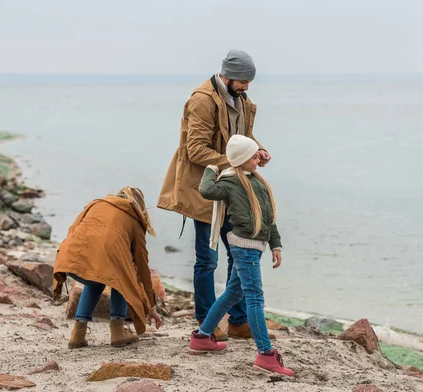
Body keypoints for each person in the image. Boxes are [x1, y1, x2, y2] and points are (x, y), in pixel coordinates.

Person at [157, 49, 274, 341]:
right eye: (244, 80)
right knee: (207, 260)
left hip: (234, 189)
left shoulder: (242, 100)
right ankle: (206, 322)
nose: (248, 86)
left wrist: (257, 149)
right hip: (206, 190)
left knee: (239, 253)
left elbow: (241, 140)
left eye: (250, 81)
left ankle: (238, 321)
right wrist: (236, 162)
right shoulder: (202, 100)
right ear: (229, 74)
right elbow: (195, 150)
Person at [188, 135, 294, 377]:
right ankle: (266, 354)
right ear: (244, 158)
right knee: (255, 298)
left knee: (233, 293)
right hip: (243, 247)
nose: (259, 159)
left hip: (255, 246)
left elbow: (268, 218)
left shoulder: (258, 182)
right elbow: (206, 190)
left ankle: (202, 337)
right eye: (255, 155)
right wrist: (212, 168)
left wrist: (276, 245)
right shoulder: (230, 182)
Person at [53, 186, 162, 349]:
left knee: (95, 279)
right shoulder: (134, 218)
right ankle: (117, 330)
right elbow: (142, 267)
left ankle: (78, 333)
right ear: (140, 206)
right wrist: (151, 306)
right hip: (96, 264)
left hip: (70, 259)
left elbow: (72, 231)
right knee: (123, 275)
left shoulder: (95, 204)